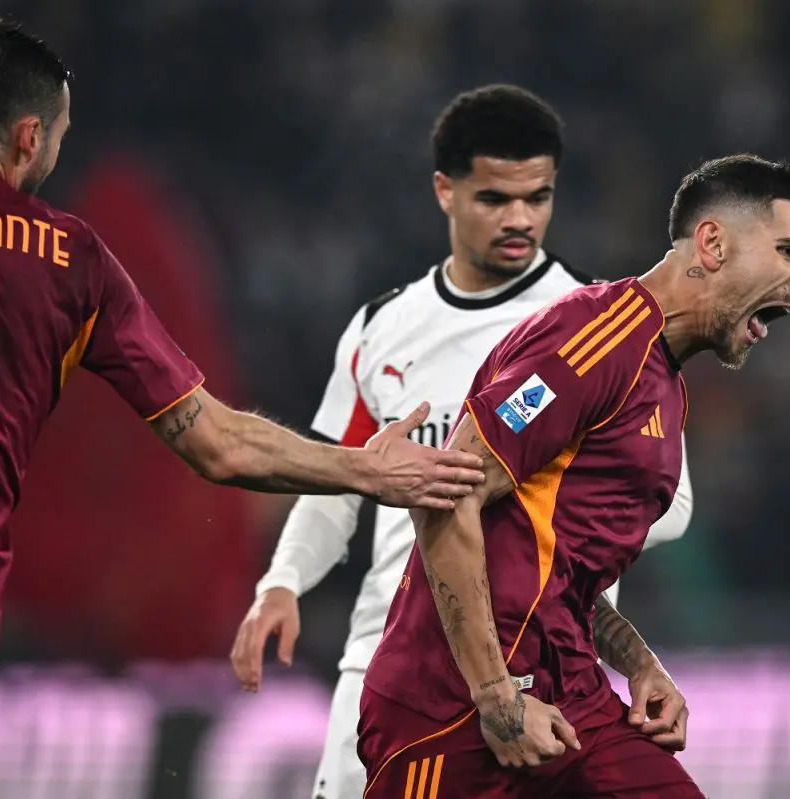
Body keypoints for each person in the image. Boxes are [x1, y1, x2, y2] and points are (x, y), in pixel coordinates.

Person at [0, 18, 485, 799]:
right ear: (29, 136)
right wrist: (363, 467)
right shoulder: (72, 262)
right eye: (58, 135)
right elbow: (218, 441)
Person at [229, 84, 694, 799]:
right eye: (494, 199)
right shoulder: (383, 327)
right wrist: (283, 581)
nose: (520, 219)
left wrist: (537, 524)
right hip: (394, 657)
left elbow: (672, 503)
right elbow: (336, 482)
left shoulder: (596, 324)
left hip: (540, 669)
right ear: (445, 190)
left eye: (538, 197)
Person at [358, 153, 790, 798]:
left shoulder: (665, 386)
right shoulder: (595, 341)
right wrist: (495, 695)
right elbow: (446, 496)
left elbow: (558, 568)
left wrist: (638, 661)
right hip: (453, 708)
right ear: (713, 243)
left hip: (571, 702)